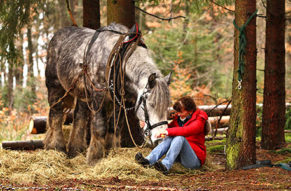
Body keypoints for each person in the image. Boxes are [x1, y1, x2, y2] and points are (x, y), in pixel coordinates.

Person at [135, 96, 208, 174]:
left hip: (193, 161)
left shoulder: (200, 119)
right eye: (177, 112)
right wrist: (145, 124)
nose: (178, 114)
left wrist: (166, 131)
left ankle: (165, 166)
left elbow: (187, 130)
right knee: (171, 136)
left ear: (190, 111)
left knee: (179, 137)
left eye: (181, 112)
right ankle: (148, 160)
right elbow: (168, 128)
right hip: (179, 157)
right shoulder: (179, 118)